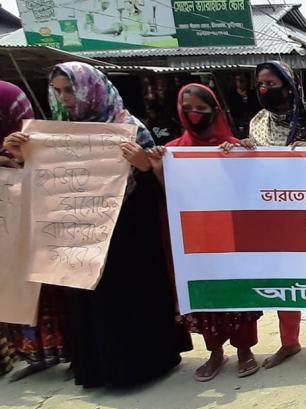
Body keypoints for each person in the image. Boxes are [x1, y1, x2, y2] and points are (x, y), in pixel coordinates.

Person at [4, 62, 192, 388]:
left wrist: (144, 166)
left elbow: (161, 191)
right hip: (78, 233)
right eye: (59, 91)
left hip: (127, 236)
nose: (66, 98)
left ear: (92, 88)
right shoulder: (55, 134)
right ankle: (97, 370)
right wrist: (23, 157)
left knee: (129, 299)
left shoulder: (128, 127)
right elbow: (46, 184)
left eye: (71, 89)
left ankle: (143, 367)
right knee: (88, 302)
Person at [221, 61, 306, 370]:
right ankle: (290, 342)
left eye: (271, 84)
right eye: (260, 84)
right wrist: (244, 150)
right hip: (273, 214)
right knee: (284, 280)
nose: (264, 90)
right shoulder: (258, 122)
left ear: (289, 87)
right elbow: (255, 168)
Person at [148, 83, 263, 381]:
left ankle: (245, 350)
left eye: (201, 108)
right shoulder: (172, 152)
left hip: (232, 235)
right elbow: (170, 196)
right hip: (196, 238)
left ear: (215, 110)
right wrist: (158, 168)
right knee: (204, 293)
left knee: (237, 292)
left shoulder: (232, 146)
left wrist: (245, 154)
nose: (195, 114)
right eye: (188, 109)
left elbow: (252, 188)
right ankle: (215, 352)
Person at [227, 74, 261, 139]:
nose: (240, 83)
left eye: (242, 81)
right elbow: (234, 109)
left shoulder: (252, 93)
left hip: (252, 117)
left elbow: (256, 107)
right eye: (238, 80)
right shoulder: (232, 94)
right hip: (239, 119)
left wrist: (246, 98)